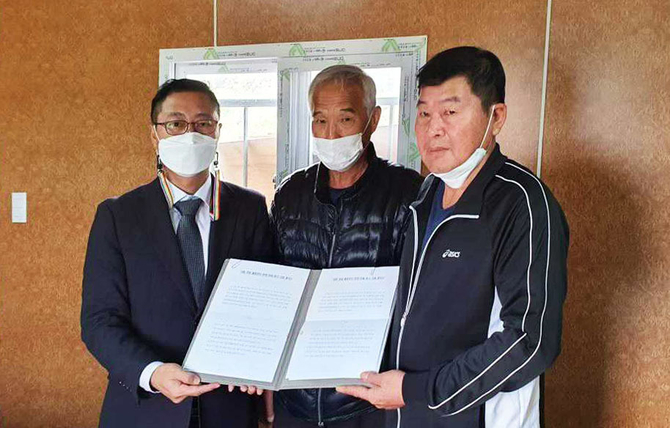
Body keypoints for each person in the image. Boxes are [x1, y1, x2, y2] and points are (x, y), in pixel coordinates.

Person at [337, 47, 569, 428]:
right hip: (407, 414)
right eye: (424, 113)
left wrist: (417, 390)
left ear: (496, 117)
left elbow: (529, 342)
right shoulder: (427, 194)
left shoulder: (522, 203)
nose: (433, 129)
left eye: (450, 112)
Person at [81, 79, 273, 428]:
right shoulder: (118, 216)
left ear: (217, 131)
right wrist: (153, 373)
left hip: (229, 405)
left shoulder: (250, 209)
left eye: (203, 123)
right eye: (175, 123)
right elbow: (99, 321)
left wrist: (257, 362)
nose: (190, 134)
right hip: (144, 408)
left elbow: (267, 303)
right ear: (155, 135)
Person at [269, 65, 424, 427]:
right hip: (295, 398)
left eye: (345, 119)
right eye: (320, 120)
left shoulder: (408, 193)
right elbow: (273, 290)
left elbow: (418, 300)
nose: (331, 134)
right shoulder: (291, 194)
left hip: (369, 400)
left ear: (373, 120)